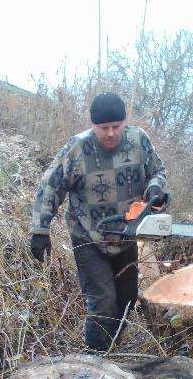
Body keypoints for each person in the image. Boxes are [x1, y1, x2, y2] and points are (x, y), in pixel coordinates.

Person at [30, 92, 167, 351]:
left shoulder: (139, 141)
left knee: (127, 299)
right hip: (88, 237)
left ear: (125, 122)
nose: (111, 133)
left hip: (127, 236)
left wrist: (155, 189)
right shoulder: (77, 148)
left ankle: (110, 346)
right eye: (104, 128)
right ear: (93, 126)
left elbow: (158, 171)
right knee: (103, 301)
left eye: (117, 126)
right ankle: (94, 357)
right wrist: (40, 229)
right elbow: (50, 186)